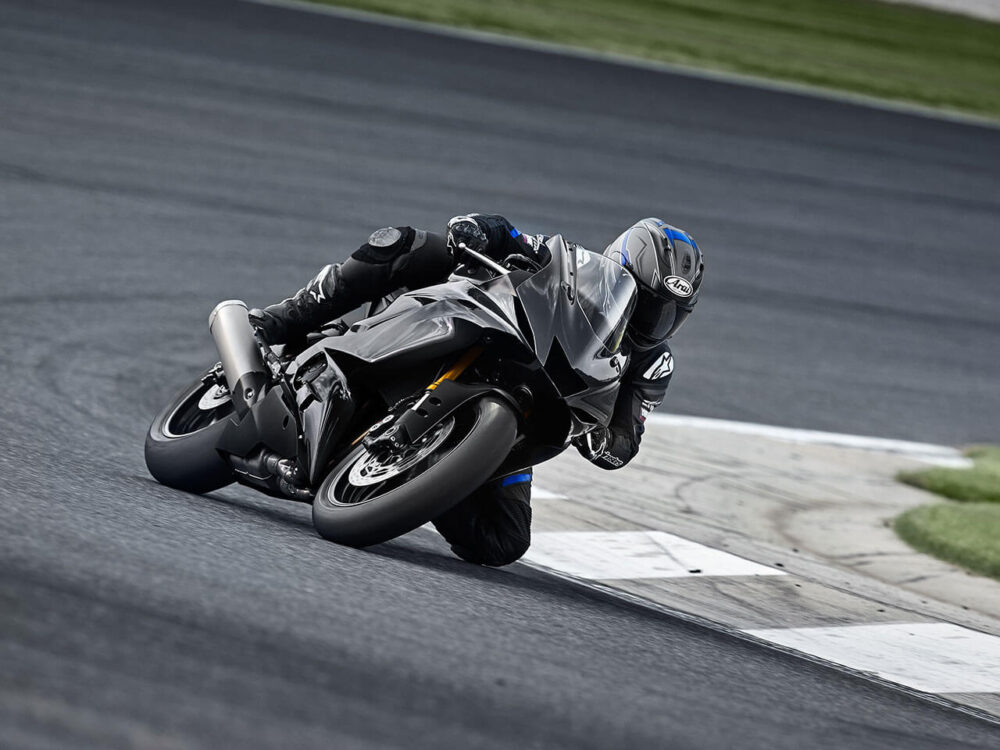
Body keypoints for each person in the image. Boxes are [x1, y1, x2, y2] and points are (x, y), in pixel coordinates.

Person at [249, 214, 705, 566]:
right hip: (485, 333)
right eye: (645, 303)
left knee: (504, 541)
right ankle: (285, 319)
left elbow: (626, 438)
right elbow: (511, 235)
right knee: (405, 244)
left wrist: (604, 442)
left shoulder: (653, 363)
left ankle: (415, 480)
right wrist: (477, 230)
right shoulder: (574, 269)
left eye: (667, 313)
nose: (651, 320)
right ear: (618, 269)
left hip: (531, 416)